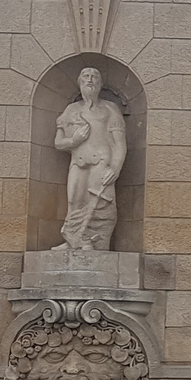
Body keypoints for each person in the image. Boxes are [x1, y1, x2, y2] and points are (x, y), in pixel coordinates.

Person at [54, 66, 127, 250]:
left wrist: (115, 168)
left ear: (101, 84)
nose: (90, 80)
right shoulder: (71, 110)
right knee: (74, 202)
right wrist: (74, 139)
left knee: (100, 203)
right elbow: (58, 142)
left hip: (102, 162)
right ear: (79, 82)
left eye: (95, 77)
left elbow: (119, 144)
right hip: (78, 163)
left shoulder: (111, 109)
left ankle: (96, 242)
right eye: (86, 76)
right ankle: (74, 239)